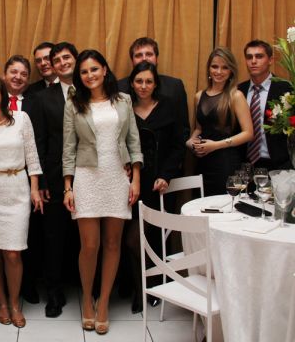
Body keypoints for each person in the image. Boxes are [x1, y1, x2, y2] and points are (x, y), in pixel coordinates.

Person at [62, 49, 142, 334]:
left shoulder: (123, 100)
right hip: (86, 178)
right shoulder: (74, 103)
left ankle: (104, 301)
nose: (90, 75)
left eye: (94, 69)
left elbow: (133, 141)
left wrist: (136, 180)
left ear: (105, 70)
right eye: (84, 72)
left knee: (112, 244)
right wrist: (68, 186)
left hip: (117, 177)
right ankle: (87, 298)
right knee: (90, 245)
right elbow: (68, 147)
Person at [0, 73, 43, 328]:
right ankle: (1, 302)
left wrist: (34, 189)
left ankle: (15, 303)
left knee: (13, 253)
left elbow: (32, 156)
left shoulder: (21, 119)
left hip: (17, 189)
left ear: (2, 93)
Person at [123, 61, 185, 313]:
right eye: (139, 81)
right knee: (131, 240)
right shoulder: (125, 107)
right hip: (132, 183)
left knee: (156, 238)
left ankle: (155, 286)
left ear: (155, 83)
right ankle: (138, 288)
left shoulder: (168, 106)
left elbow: (178, 145)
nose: (143, 86)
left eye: (148, 81)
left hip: (160, 184)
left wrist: (166, 175)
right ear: (132, 83)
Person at [32, 41, 79, 318]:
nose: (62, 63)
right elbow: (38, 142)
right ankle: (54, 292)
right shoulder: (42, 98)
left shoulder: (91, 92)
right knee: (54, 237)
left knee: (86, 235)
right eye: (57, 59)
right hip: (54, 176)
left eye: (67, 57)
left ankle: (87, 286)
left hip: (90, 174)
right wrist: (42, 182)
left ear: (75, 59)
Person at [186, 47, 253, 195]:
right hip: (203, 162)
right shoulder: (199, 96)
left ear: (231, 71)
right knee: (200, 204)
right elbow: (199, 128)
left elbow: (248, 133)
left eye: (225, 67)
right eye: (214, 66)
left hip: (226, 163)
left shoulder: (236, 96)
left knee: (224, 205)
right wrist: (190, 142)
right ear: (208, 69)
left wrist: (215, 145)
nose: (219, 71)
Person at [117, 37, 190, 142]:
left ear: (157, 58)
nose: (144, 58)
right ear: (132, 61)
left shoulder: (175, 86)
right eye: (138, 55)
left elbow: (183, 129)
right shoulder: (119, 87)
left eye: (149, 54)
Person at [238, 39, 293, 170]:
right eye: (249, 57)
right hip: (245, 165)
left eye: (259, 56)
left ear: (270, 60)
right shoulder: (239, 91)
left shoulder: (286, 89)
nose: (253, 61)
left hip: (279, 164)